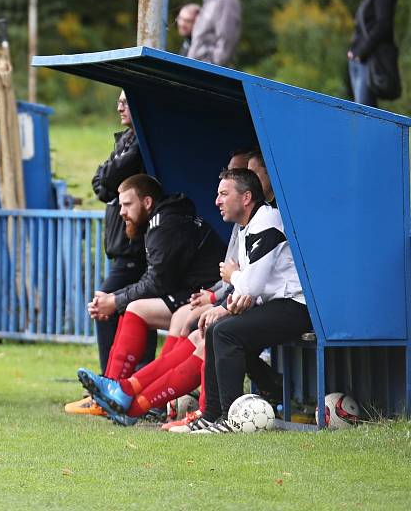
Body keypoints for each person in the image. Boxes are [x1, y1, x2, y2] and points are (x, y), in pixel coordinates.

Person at [79, 174, 224, 401]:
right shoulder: (163, 219)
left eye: (127, 204)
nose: (121, 212)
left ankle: (137, 396)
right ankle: (115, 390)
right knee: (138, 308)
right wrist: (114, 298)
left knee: (139, 309)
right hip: (196, 292)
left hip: (209, 295)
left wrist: (115, 300)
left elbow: (158, 282)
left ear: (147, 202)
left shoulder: (165, 224)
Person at [190, 168, 310, 433]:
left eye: (223, 194)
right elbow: (251, 289)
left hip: (296, 305)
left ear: (246, 198)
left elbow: (251, 285)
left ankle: (231, 419)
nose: (217, 201)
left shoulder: (267, 221)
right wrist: (228, 306)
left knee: (227, 335)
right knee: (216, 330)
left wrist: (233, 274)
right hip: (273, 304)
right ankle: (212, 415)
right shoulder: (246, 226)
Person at [65, 91, 156, 416]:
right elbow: (101, 183)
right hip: (122, 248)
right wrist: (108, 175)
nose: (119, 105)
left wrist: (109, 174)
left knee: (104, 306)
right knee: (130, 311)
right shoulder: (126, 140)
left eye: (126, 101)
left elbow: (109, 179)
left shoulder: (142, 140)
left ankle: (110, 387)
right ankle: (125, 387)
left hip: (134, 248)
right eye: (117, 100)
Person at [348, 0, 400, 107]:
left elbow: (383, 25)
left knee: (365, 113)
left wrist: (361, 52)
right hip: (359, 60)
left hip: (368, 60)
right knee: (359, 111)